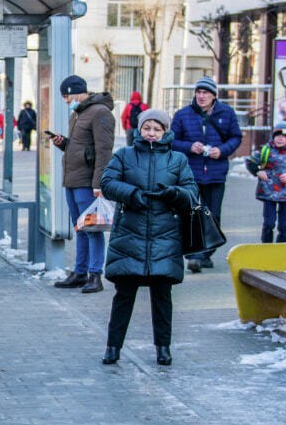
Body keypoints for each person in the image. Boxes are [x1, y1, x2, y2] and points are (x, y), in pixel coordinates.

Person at [99, 109, 198, 366]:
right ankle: (112, 347)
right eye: (147, 128)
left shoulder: (178, 160)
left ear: (165, 132)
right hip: (129, 236)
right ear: (140, 130)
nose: (151, 134)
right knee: (124, 296)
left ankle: (163, 348)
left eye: (157, 129)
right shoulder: (124, 155)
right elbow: (107, 183)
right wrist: (132, 194)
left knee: (162, 296)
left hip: (165, 236)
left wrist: (174, 193)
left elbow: (191, 193)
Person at [49, 75, 115, 293]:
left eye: (67, 96)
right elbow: (80, 148)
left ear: (77, 91)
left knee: (92, 228)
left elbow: (103, 151)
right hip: (73, 180)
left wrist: (99, 184)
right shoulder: (79, 113)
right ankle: (80, 272)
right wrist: (63, 144)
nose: (66, 101)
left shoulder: (100, 112)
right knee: (80, 228)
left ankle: (95, 275)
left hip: (88, 182)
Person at [170, 76, 242, 273]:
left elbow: (236, 137)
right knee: (192, 213)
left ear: (213, 95)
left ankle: (205, 253)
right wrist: (189, 146)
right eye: (198, 92)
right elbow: (172, 140)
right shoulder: (183, 114)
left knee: (213, 215)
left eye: (206, 93)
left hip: (216, 172)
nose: (201, 96)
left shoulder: (226, 113)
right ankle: (195, 255)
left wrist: (223, 150)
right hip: (190, 173)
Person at [246, 122, 286, 243]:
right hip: (268, 193)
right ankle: (266, 248)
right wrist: (258, 171)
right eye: (277, 135)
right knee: (269, 224)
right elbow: (250, 161)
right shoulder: (266, 150)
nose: (280, 139)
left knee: (284, 226)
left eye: (284, 136)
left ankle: (281, 250)